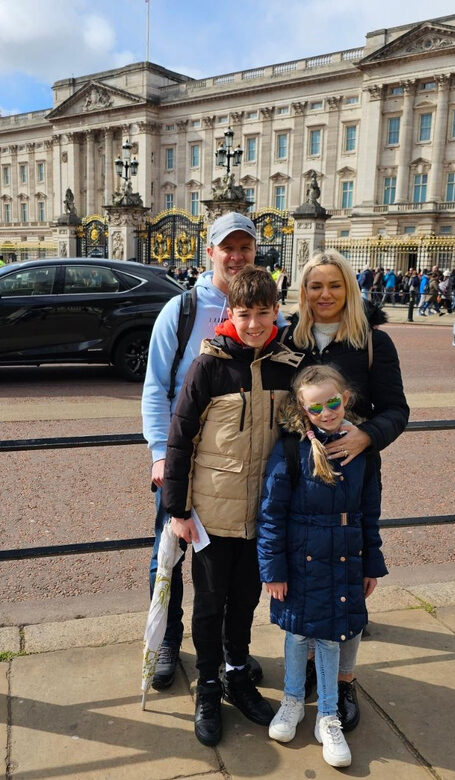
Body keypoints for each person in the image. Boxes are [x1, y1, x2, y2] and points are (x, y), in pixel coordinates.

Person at [161, 266, 303, 746]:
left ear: (276, 312)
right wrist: (177, 510)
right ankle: (207, 684)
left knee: (245, 599)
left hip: (262, 513)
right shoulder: (210, 366)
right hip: (211, 512)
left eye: (264, 313)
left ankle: (237, 673)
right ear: (231, 314)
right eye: (245, 314)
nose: (255, 323)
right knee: (209, 604)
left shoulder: (290, 363)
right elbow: (180, 439)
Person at [142, 212, 275, 691]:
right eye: (228, 248)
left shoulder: (262, 305)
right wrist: (160, 454)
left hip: (236, 469)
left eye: (245, 248)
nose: (237, 256)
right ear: (211, 252)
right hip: (182, 458)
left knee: (230, 567)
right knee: (171, 557)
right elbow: (156, 388)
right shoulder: (180, 311)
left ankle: (222, 652)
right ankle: (166, 645)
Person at [280, 248, 408, 733]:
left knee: (346, 585)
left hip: (351, 477)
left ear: (348, 289)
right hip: (300, 478)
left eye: (335, 285)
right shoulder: (288, 339)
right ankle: (310, 671)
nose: (325, 294)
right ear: (305, 291)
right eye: (316, 286)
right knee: (303, 577)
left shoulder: (373, 342)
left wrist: (366, 435)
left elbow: (397, 410)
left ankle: (346, 679)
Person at [257, 364, 387, 768]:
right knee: (297, 635)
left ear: (345, 398)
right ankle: (293, 700)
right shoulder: (291, 447)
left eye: (333, 403)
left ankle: (327, 714)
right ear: (302, 407)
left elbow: (370, 509)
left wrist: (372, 562)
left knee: (333, 636)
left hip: (345, 555)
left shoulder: (363, 446)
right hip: (300, 556)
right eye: (317, 407)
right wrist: (273, 569)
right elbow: (271, 513)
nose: (327, 412)